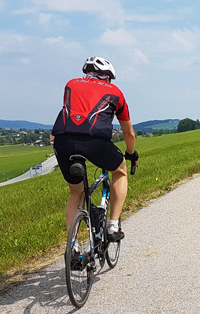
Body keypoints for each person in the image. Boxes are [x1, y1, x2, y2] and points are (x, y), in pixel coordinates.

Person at [52, 56, 138, 241]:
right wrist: (131, 153)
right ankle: (113, 226)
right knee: (120, 171)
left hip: (63, 142)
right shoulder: (115, 92)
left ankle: (73, 248)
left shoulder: (71, 84)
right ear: (108, 77)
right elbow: (128, 132)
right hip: (96, 143)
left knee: (76, 192)